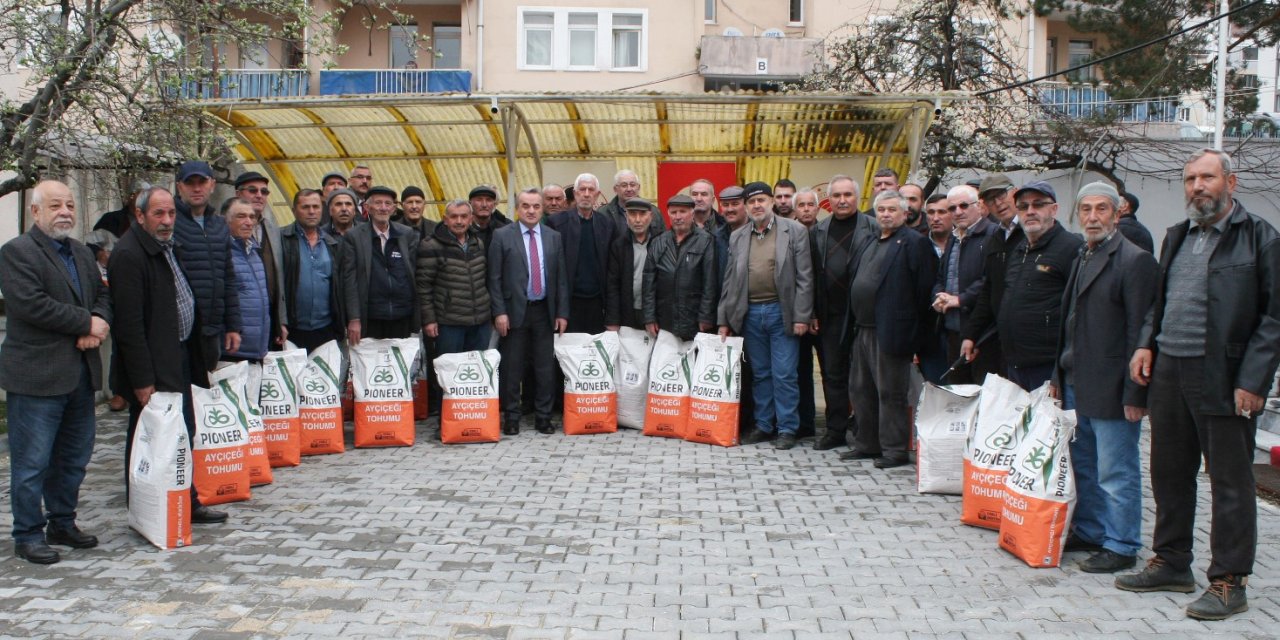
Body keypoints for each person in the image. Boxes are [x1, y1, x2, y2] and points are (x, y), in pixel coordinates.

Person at [1117, 149, 1280, 621]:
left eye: (1207, 177)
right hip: (1170, 370)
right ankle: (1171, 562)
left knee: (1230, 483)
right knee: (1169, 472)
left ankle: (1230, 581)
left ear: (1231, 181)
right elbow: (1160, 300)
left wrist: (1252, 380)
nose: (1197, 186)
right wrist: (1147, 342)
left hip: (1225, 378)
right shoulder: (1177, 235)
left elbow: (1273, 320)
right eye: (1190, 179)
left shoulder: (1261, 239)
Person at [1047, 182, 1160, 575]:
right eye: (1086, 210)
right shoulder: (1084, 255)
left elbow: (1141, 333)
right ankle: (1093, 531)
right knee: (1086, 468)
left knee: (1117, 470)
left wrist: (1136, 393)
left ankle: (1122, 543)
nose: (1092, 217)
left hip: (1113, 386)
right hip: (1077, 380)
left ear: (1117, 213)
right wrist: (1057, 374)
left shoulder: (1134, 260)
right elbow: (1068, 323)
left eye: (1101, 209)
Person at [0, 180, 112, 564]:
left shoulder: (81, 253)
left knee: (74, 458)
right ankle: (27, 534)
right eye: (55, 205)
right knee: (32, 462)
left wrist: (97, 320)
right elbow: (31, 304)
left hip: (79, 375)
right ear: (35, 212)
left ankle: (62, 522)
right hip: (37, 377)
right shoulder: (16, 252)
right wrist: (85, 323)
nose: (65, 211)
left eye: (69, 204)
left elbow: (103, 295)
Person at [110, 186, 228, 525]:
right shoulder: (129, 254)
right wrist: (143, 380)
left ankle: (186, 501)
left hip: (179, 355)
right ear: (140, 216)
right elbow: (129, 327)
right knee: (147, 439)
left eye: (171, 214)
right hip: (152, 365)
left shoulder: (165, 247)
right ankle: (146, 509)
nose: (166, 221)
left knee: (182, 432)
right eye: (158, 214)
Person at [843, 190, 937, 469]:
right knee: (861, 390)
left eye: (891, 210)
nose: (885, 214)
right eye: (881, 209)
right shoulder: (869, 241)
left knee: (890, 393)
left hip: (892, 330)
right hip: (863, 328)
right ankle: (867, 444)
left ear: (904, 213)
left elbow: (924, 290)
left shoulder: (915, 243)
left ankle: (894, 450)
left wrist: (915, 337)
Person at [718, 182, 814, 450]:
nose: (757, 205)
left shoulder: (793, 231)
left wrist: (802, 316)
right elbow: (729, 281)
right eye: (751, 202)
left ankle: (787, 428)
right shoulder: (738, 236)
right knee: (761, 374)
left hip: (781, 311)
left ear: (772, 201)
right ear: (746, 207)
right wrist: (724, 320)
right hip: (749, 314)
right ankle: (764, 425)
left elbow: (806, 277)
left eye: (761, 199)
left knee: (784, 373)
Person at [962, 181, 1082, 391]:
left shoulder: (1070, 249)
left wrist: (1058, 373)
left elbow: (1077, 315)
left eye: (1038, 205)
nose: (1030, 211)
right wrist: (972, 333)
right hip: (1016, 363)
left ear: (1054, 209)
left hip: (1049, 366)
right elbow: (993, 292)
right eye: (1024, 207)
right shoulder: (1018, 249)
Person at [488, 188, 569, 435]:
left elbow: (561, 278)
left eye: (535, 206)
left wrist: (562, 312)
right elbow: (494, 278)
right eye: (526, 206)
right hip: (513, 313)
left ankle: (543, 417)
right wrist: (499, 312)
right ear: (517, 208)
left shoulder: (553, 237)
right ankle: (511, 417)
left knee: (545, 367)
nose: (531, 210)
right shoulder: (502, 236)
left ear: (542, 208)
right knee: (513, 367)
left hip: (544, 311)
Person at [810, 175, 878, 452]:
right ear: (829, 199)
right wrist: (812, 311)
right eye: (836, 195)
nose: (842, 200)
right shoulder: (819, 231)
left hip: (863, 316)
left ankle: (865, 432)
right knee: (832, 375)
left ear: (857, 197)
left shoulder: (873, 227)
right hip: (830, 315)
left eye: (847, 194)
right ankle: (835, 429)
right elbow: (812, 275)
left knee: (864, 378)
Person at [172, 160, 241, 379]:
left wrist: (233, 325)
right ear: (179, 186)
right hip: (180, 333)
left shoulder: (218, 224)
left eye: (201, 182)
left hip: (212, 329)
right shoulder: (170, 222)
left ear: (212, 184)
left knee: (204, 393)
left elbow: (228, 277)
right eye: (189, 182)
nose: (196, 188)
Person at [932, 184, 996, 385]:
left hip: (983, 332)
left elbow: (990, 280)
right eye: (952, 208)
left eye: (963, 206)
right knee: (958, 394)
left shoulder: (993, 235)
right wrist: (939, 295)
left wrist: (960, 299)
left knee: (983, 395)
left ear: (979, 206)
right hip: (952, 328)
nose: (958, 212)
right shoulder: (953, 237)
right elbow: (941, 276)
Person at [341, 185, 420, 343]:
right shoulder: (354, 237)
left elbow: (416, 275)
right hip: (371, 317)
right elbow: (349, 280)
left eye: (388, 203)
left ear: (394, 208)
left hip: (402, 315)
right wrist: (354, 318)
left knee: (401, 364)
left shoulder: (407, 234)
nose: (383, 208)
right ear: (367, 207)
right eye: (378, 203)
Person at [416, 200, 492, 354]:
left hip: (480, 321)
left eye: (464, 217)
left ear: (471, 219)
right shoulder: (430, 245)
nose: (459, 221)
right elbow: (423, 287)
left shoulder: (478, 243)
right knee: (450, 372)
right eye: (454, 217)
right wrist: (429, 320)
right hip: (449, 324)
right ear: (445, 219)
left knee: (476, 370)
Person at [548, 173, 615, 335]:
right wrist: (559, 310)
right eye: (582, 189)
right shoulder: (556, 223)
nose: (586, 194)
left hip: (597, 304)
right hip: (569, 304)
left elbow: (612, 270)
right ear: (575, 193)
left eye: (591, 190)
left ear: (597, 195)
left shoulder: (607, 224)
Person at [643, 194, 717, 340]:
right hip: (665, 318)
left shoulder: (706, 240)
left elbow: (710, 283)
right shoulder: (658, 242)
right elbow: (648, 283)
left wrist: (706, 316)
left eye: (682, 212)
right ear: (668, 214)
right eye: (674, 212)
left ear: (692, 213)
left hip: (694, 318)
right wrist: (649, 318)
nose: (678, 216)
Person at [281, 189, 342, 352]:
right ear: (294, 210)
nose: (311, 211)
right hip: (291, 330)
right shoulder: (281, 239)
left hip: (325, 329)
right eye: (305, 207)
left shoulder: (332, 244)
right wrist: (279, 321)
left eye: (316, 207)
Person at [222, 198, 280, 362]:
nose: (248, 222)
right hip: (232, 350)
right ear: (226, 220)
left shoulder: (254, 252)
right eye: (241, 216)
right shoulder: (221, 254)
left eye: (252, 217)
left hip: (258, 348)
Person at [232, 172, 285, 342]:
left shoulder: (272, 229)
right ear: (238, 194)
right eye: (253, 190)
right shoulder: (225, 227)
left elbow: (278, 278)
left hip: (268, 319)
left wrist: (281, 321)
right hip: (240, 322)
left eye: (264, 192)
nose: (259, 196)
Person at [605, 197, 661, 332]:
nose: (637, 220)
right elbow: (613, 285)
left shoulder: (661, 243)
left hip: (656, 314)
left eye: (642, 214)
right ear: (626, 216)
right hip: (628, 313)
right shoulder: (618, 245)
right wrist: (612, 320)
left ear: (651, 216)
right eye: (632, 214)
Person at [599, 170, 664, 239]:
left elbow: (662, 241)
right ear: (615, 189)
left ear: (638, 187)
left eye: (632, 185)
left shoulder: (653, 211)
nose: (629, 189)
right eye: (624, 185)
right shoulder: (603, 213)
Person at [469, 184, 512, 250]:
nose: (484, 205)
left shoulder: (506, 229)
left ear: (494, 204)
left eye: (488, 200)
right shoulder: (461, 228)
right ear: (470, 203)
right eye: (479, 200)